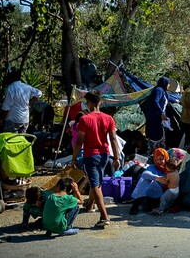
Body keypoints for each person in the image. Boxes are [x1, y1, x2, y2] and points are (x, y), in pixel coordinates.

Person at [72, 91, 120, 228]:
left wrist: (74, 157)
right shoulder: (108, 118)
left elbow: (79, 141)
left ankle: (104, 216)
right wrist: (116, 157)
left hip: (90, 155)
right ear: (100, 103)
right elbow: (113, 139)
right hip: (105, 155)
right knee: (97, 181)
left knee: (95, 184)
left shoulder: (85, 119)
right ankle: (90, 205)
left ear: (90, 103)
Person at [129, 148, 169, 215]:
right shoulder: (152, 167)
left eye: (161, 159)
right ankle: (136, 204)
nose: (159, 161)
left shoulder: (170, 168)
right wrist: (157, 178)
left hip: (163, 196)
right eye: (157, 159)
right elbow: (145, 174)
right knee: (145, 179)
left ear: (166, 158)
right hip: (149, 195)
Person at [141, 76, 170, 154]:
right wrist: (161, 113)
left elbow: (166, 99)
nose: (169, 85)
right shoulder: (159, 90)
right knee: (154, 139)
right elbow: (155, 101)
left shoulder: (163, 91)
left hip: (157, 120)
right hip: (154, 120)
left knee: (159, 139)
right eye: (168, 84)